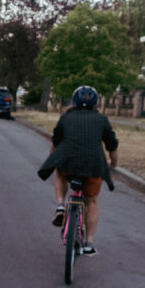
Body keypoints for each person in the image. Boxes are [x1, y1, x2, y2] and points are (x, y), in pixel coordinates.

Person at [37, 85, 119, 255]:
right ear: (96, 102)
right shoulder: (101, 120)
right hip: (93, 165)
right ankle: (88, 244)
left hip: (67, 161)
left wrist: (54, 157)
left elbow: (56, 141)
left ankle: (60, 205)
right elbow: (112, 145)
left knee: (60, 173)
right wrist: (113, 164)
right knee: (92, 201)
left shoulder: (66, 117)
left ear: (74, 101)